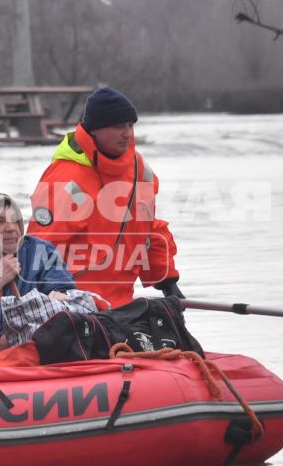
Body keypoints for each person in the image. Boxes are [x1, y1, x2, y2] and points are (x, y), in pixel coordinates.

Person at [29, 86, 181, 308]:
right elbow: (38, 248)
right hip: (75, 305)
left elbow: (150, 230)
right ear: (95, 131)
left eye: (130, 125)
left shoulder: (140, 171)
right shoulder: (64, 179)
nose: (127, 133)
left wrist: (167, 280)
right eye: (118, 126)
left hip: (123, 306)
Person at [0, 192, 79, 341]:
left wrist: (57, 297)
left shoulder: (41, 251)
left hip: (40, 349)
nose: (10, 228)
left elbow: (66, 293)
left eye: (15, 220)